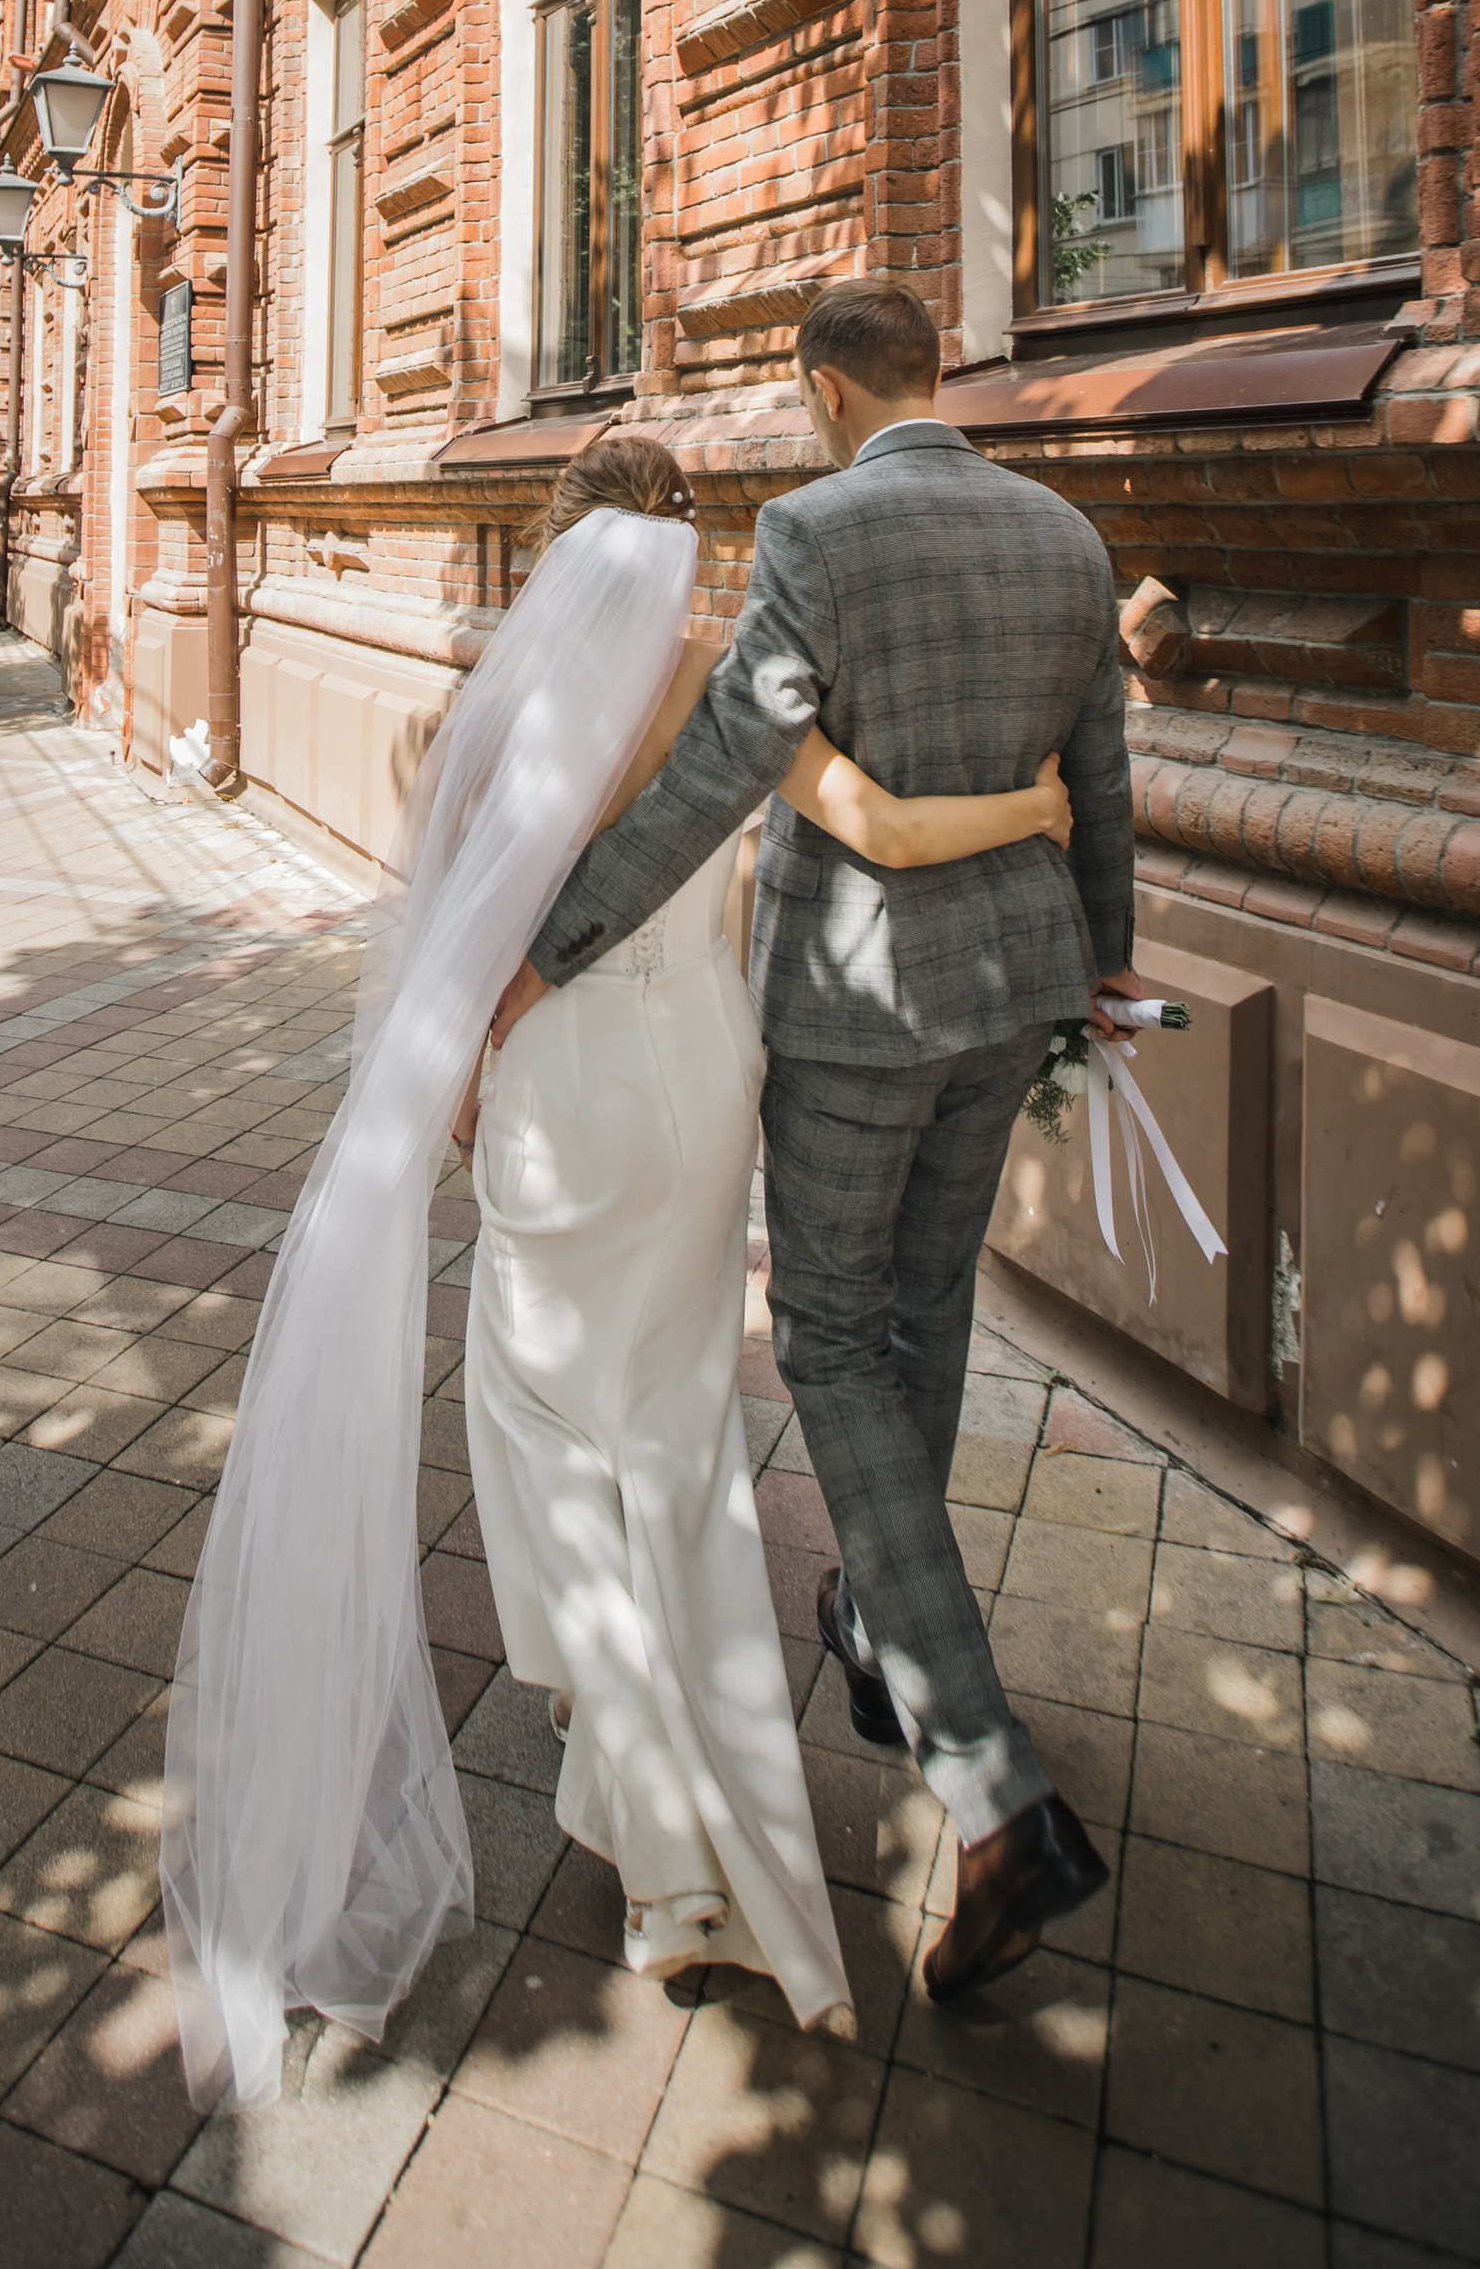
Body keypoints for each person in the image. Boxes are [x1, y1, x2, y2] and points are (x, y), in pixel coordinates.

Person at [158, 424, 1081, 2109]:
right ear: (683, 552)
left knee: (541, 1422)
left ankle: (650, 1807)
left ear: (557, 554)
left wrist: (446, 1072)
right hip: (708, 1091)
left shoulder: (490, 712)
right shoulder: (737, 693)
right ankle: (664, 1798)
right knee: (676, 1430)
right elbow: (871, 821)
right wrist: (1037, 803)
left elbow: (456, 911)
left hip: (571, 1095)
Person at [508, 277, 1136, 2005]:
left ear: (821, 391)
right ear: (929, 375)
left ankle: (994, 1791)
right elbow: (1105, 770)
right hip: (1014, 991)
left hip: (860, 1017)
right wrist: (1110, 956)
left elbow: (726, 769)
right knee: (922, 1321)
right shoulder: (1067, 538)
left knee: (838, 1344)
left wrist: (545, 949)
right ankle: (881, 1611)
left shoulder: (814, 525)